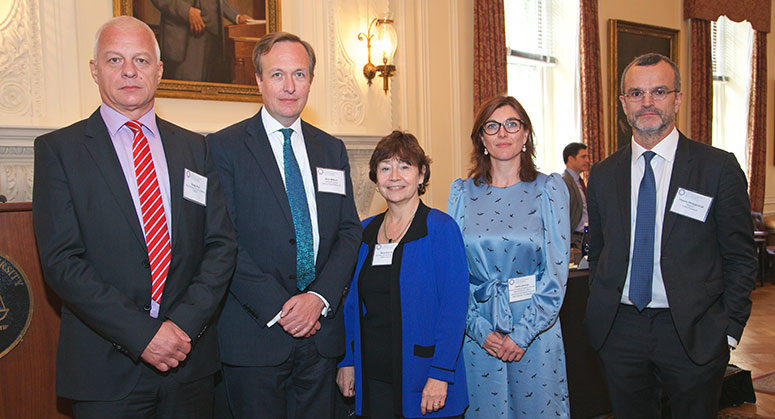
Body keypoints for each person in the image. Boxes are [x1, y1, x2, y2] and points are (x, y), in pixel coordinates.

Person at [32, 16, 237, 418]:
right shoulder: (60, 151)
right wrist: (144, 335)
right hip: (105, 371)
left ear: (159, 71)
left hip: (189, 364)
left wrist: (179, 328)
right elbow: (62, 262)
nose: (129, 70)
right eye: (114, 60)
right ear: (95, 70)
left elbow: (220, 246)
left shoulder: (197, 149)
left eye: (141, 60)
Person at [585, 53, 757, 418]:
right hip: (621, 329)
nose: (647, 102)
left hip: (692, 331)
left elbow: (740, 256)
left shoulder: (717, 167)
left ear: (677, 98)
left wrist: (728, 330)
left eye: (658, 91)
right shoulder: (602, 174)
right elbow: (599, 250)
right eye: (636, 93)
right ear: (623, 103)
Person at [207, 31, 361, 418]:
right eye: (277, 75)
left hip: (321, 334)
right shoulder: (222, 148)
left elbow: (348, 231)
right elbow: (223, 239)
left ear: (311, 80)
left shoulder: (332, 148)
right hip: (256, 335)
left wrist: (318, 299)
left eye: (299, 74)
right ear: (258, 81)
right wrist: (282, 307)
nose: (289, 86)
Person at [448, 95, 570, 418]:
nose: (502, 133)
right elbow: (455, 275)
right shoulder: (461, 192)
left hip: (536, 330)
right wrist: (480, 330)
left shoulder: (550, 189)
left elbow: (556, 275)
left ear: (525, 134)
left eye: (511, 124)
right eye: (492, 126)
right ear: (482, 138)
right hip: (479, 332)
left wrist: (522, 333)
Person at [336, 131, 469, 419]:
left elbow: (454, 309)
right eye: (385, 168)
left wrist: (440, 374)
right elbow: (349, 304)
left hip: (424, 377)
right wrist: (347, 361)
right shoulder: (364, 231)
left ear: (421, 175)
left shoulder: (440, 229)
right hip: (372, 377)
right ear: (376, 179)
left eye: (404, 166)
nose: (394, 176)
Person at [151, 0, 252, 82]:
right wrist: (187, 12)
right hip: (184, 38)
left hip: (213, 38)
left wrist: (236, 17)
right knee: (188, 91)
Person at [561, 142, 590, 249]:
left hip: (585, 237)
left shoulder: (579, 181)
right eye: (583, 157)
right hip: (574, 240)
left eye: (587, 157)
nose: (587, 160)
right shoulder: (563, 182)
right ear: (571, 159)